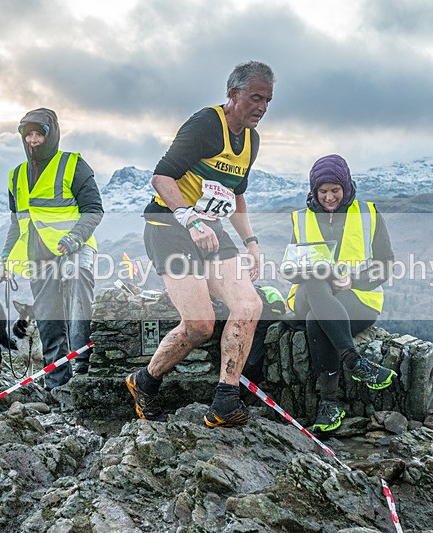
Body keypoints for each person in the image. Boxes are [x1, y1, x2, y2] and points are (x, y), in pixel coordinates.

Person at [127, 61, 275, 427]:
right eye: (256, 98)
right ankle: (144, 382)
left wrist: (251, 242)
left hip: (210, 230)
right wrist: (189, 218)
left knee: (249, 304)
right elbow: (161, 177)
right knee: (199, 325)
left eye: (268, 101)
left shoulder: (251, 140)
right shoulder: (206, 125)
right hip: (169, 227)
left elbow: (236, 196)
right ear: (234, 94)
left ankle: (225, 401)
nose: (261, 107)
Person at [285, 154, 396, 436]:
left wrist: (354, 280)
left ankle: (329, 404)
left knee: (315, 320)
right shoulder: (301, 218)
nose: (329, 197)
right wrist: (297, 271)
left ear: (346, 187)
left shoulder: (369, 214)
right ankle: (354, 361)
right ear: (313, 190)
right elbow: (293, 266)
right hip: (308, 294)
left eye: (335, 190)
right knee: (313, 280)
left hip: (356, 299)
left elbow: (385, 264)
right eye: (322, 192)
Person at [0, 108, 103, 390]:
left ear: (52, 134)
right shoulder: (16, 176)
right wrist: (5, 259)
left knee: (78, 285)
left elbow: (94, 210)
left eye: (39, 134)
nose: (33, 140)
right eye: (28, 135)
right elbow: (17, 223)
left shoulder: (73, 165)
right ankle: (57, 384)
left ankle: (83, 365)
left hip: (75, 247)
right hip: (40, 255)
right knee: (47, 318)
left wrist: (73, 239)